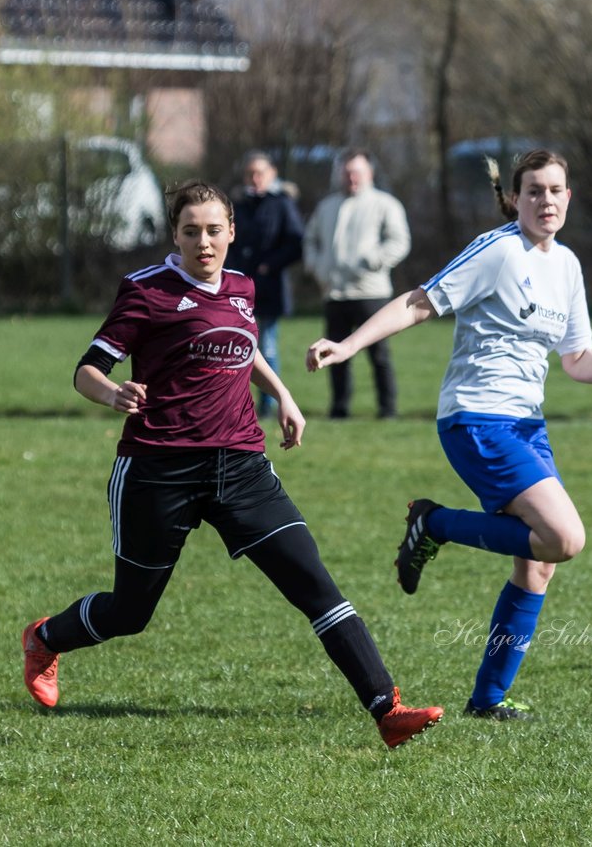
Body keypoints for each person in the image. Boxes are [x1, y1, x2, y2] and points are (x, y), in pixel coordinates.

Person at [22, 180, 443, 748]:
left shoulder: (244, 286)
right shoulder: (146, 291)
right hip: (157, 469)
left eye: (214, 230)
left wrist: (285, 396)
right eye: (191, 231)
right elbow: (86, 369)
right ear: (174, 234)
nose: (204, 242)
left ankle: (387, 710)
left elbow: (245, 346)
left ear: (231, 232)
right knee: (130, 612)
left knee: (314, 583)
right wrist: (112, 394)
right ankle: (46, 638)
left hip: (241, 465)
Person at [306, 150, 592, 721]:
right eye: (534, 191)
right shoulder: (498, 250)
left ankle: (487, 699)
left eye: (556, 190)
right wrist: (348, 345)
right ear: (516, 199)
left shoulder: (567, 266)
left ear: (569, 197)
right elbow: (421, 301)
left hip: (526, 425)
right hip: (475, 417)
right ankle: (433, 522)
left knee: (540, 563)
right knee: (564, 537)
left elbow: (577, 359)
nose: (546, 201)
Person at [303, 148, 411, 419]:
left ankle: (388, 411)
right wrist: (317, 267)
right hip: (335, 293)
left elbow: (399, 242)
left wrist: (373, 260)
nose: (352, 177)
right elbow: (310, 240)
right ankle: (339, 410)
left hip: (371, 293)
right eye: (347, 171)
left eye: (357, 172)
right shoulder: (327, 206)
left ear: (369, 173)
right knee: (334, 355)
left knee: (379, 356)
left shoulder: (386, 204)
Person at [226, 150, 305, 417]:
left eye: (260, 172)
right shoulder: (238, 203)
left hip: (270, 287)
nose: (255, 178)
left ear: (273, 174)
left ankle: (270, 405)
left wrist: (269, 264)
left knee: (266, 346)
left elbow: (295, 243)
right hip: (239, 286)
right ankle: (237, 402)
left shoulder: (281, 203)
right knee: (236, 346)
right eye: (250, 173)